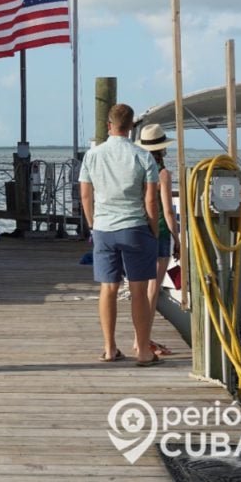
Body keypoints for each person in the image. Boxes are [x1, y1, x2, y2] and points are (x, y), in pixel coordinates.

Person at [79, 103, 161, 366]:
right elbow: (151, 201)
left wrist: (93, 224)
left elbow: (85, 194)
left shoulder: (92, 156)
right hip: (135, 227)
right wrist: (154, 229)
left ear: (108, 125)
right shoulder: (143, 156)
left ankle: (109, 348)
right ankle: (143, 352)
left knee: (108, 289)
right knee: (138, 291)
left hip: (103, 228)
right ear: (131, 128)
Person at [136, 123, 179, 357]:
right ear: (162, 149)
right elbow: (168, 211)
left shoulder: (138, 170)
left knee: (139, 288)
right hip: (159, 232)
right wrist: (178, 239)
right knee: (153, 290)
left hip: (139, 230)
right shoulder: (163, 174)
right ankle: (144, 340)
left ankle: (139, 338)